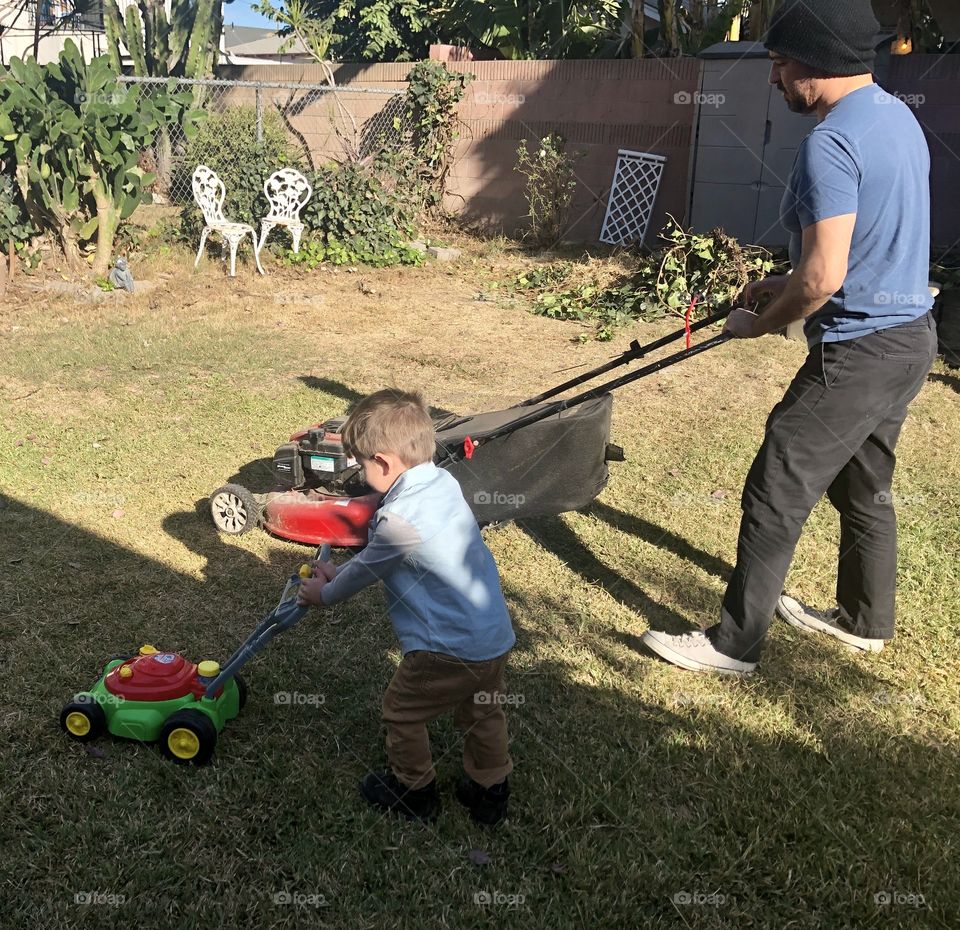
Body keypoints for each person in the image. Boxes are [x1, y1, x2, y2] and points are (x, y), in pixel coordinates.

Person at [642, 0, 937, 676]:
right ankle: (866, 619)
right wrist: (785, 277)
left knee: (778, 480)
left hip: (861, 349)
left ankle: (731, 645)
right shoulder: (897, 118)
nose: (774, 78)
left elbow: (825, 278)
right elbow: (867, 243)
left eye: (778, 64)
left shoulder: (828, 144)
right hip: (910, 336)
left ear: (817, 59)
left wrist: (759, 322)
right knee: (866, 485)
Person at [298, 388, 516, 823]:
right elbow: (378, 556)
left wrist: (324, 593)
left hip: (446, 649)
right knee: (482, 709)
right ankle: (491, 789)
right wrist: (336, 571)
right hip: (493, 636)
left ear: (383, 461)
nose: (361, 472)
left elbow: (369, 569)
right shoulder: (443, 482)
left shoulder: (399, 519)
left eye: (362, 464)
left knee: (400, 712)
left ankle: (414, 790)